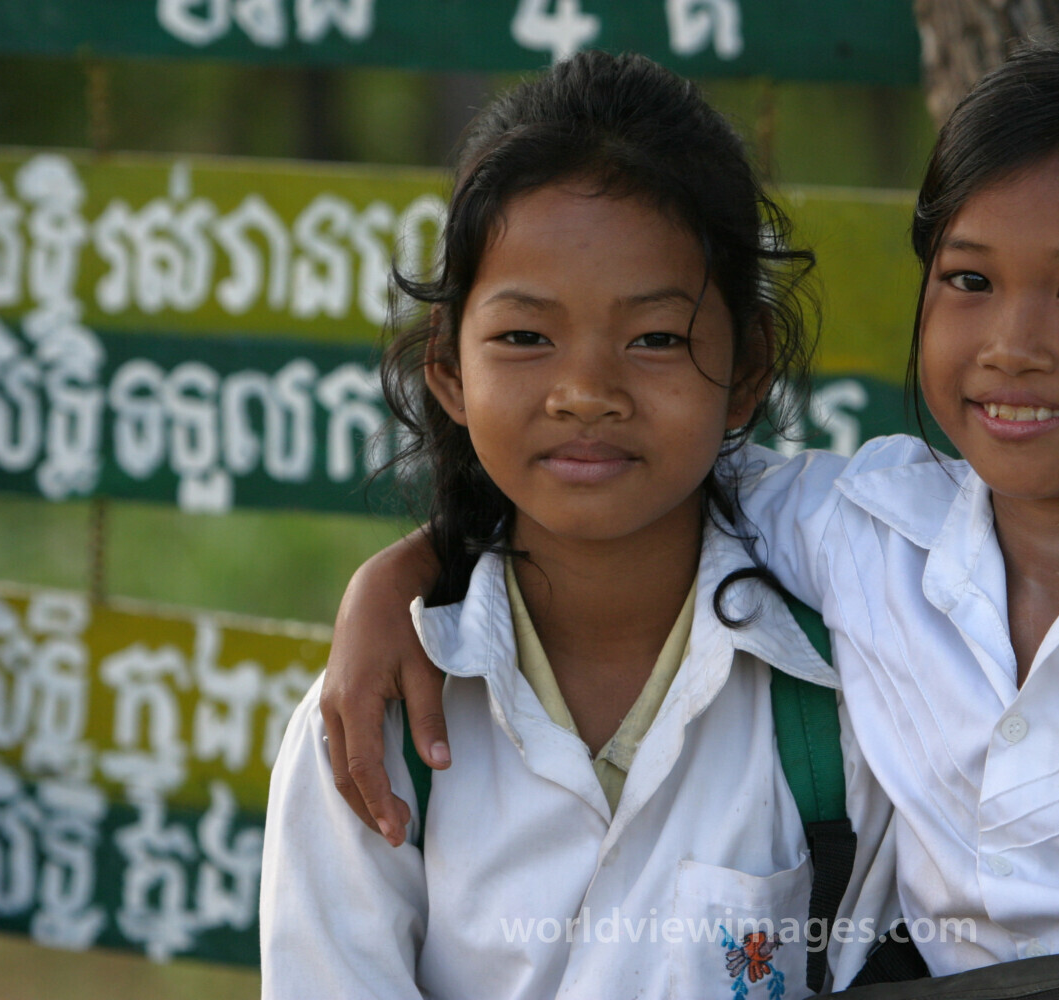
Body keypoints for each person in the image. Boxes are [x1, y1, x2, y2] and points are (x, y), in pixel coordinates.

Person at [316, 28, 1059, 1000]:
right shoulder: (869, 527)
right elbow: (604, 482)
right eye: (971, 279)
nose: (1011, 342)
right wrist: (401, 582)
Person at [259, 50, 897, 1000]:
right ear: (449, 369)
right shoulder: (373, 733)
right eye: (524, 337)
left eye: (655, 339)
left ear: (749, 367)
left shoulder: (849, 702)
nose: (587, 394)